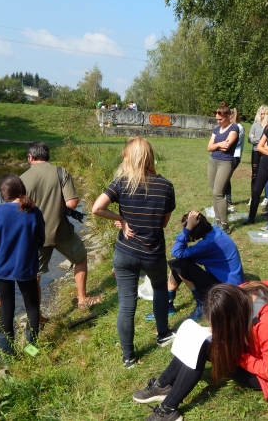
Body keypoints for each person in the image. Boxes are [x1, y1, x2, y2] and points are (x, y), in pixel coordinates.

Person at [132, 282, 268, 421]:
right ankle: (162, 385)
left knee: (201, 348)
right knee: (196, 339)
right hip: (248, 351)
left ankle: (168, 409)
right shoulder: (241, 294)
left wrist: (235, 355)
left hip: (265, 379)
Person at [92, 137, 176, 368]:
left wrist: (121, 218)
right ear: (149, 156)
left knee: (127, 304)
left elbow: (97, 208)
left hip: (125, 253)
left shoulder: (120, 183)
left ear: (129, 158)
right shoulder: (166, 186)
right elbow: (164, 223)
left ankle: (128, 357)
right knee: (160, 289)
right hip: (153, 252)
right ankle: (163, 335)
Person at [21, 142, 100, 318]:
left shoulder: (22, 179)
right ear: (46, 156)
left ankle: (37, 316)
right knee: (80, 257)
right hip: (61, 231)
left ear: (31, 158)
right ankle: (82, 298)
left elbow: (17, 210)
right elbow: (72, 203)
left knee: (35, 274)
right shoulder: (60, 172)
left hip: (35, 235)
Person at [146, 210, 244, 323]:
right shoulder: (215, 232)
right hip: (232, 286)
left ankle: (203, 303)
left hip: (227, 292)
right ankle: (167, 304)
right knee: (178, 263)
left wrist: (187, 231)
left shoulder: (209, 244)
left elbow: (177, 251)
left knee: (179, 263)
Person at [0, 174, 45, 354]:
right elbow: (41, 240)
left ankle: (8, 352)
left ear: (3, 193)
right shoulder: (34, 211)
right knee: (31, 306)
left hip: (1, 265)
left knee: (7, 308)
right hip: (26, 265)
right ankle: (32, 349)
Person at [207, 102, 239, 234]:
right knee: (214, 193)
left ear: (228, 116)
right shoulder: (216, 130)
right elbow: (209, 148)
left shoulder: (234, 128)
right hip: (213, 161)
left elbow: (227, 147)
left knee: (218, 194)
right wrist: (220, 143)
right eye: (217, 120)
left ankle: (225, 224)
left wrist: (217, 145)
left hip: (225, 162)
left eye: (221, 119)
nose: (218, 122)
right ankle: (217, 219)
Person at [247, 105, 268, 204]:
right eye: (261, 114)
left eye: (264, 114)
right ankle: (253, 197)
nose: (262, 116)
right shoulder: (255, 125)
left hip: (266, 151)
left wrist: (256, 139)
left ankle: (267, 197)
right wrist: (261, 140)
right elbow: (249, 139)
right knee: (254, 175)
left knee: (266, 175)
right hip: (256, 151)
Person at [224, 107, 245, 207]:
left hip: (235, 156)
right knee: (225, 177)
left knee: (225, 176)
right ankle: (227, 199)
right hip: (228, 154)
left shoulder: (239, 127)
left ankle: (227, 200)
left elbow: (236, 142)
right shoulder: (230, 126)